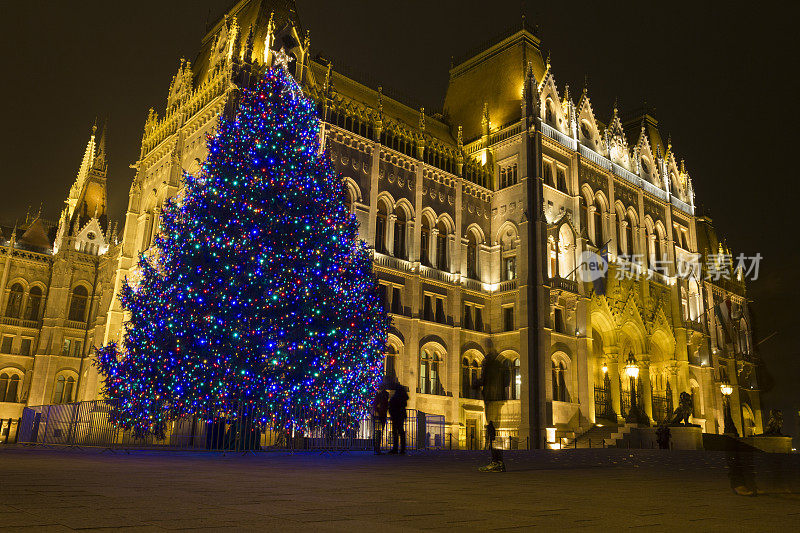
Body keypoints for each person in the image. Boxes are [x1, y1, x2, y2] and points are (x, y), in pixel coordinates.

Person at [388, 383, 408, 455]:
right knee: (398, 432)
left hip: (397, 415)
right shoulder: (401, 396)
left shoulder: (398, 396)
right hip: (398, 415)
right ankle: (399, 449)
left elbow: (394, 405)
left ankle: (397, 449)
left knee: (398, 432)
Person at [371, 387, 389, 454]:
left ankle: (376, 448)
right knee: (378, 432)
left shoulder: (378, 396)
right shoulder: (382, 397)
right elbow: (379, 407)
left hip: (378, 415)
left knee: (377, 432)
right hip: (380, 416)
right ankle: (377, 448)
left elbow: (376, 406)